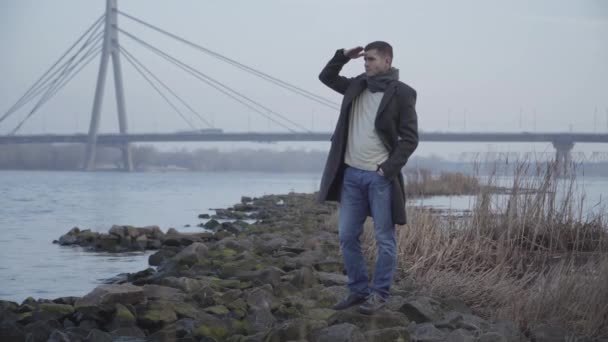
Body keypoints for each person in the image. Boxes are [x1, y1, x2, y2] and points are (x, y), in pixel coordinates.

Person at [317, 41, 419, 314]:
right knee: (348, 236)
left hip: (379, 178)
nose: (367, 64)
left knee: (385, 239)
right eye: (365, 60)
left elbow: (410, 139)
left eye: (372, 60)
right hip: (351, 175)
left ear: (387, 61)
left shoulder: (403, 93)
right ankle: (358, 291)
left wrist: (387, 169)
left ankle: (380, 294)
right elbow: (326, 77)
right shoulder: (357, 85)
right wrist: (342, 57)